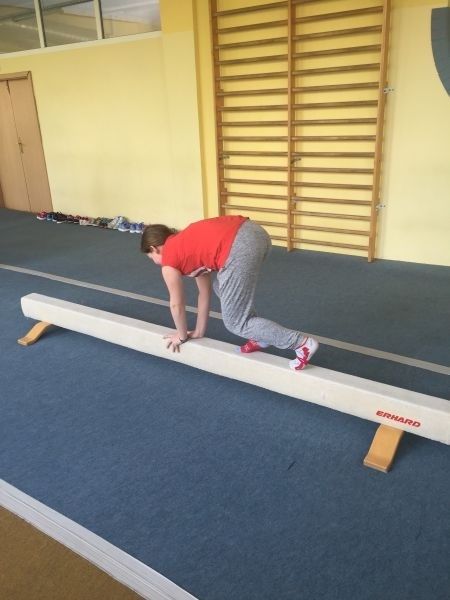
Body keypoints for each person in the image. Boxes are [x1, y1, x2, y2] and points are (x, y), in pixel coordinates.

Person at [140, 216, 319, 370]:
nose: (154, 262)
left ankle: (301, 343)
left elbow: (176, 305)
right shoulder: (185, 245)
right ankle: (259, 336)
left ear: (154, 248)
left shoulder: (169, 260)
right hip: (257, 234)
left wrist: (181, 336)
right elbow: (204, 293)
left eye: (151, 257)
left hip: (240, 247)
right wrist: (199, 331)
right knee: (220, 286)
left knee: (236, 323)